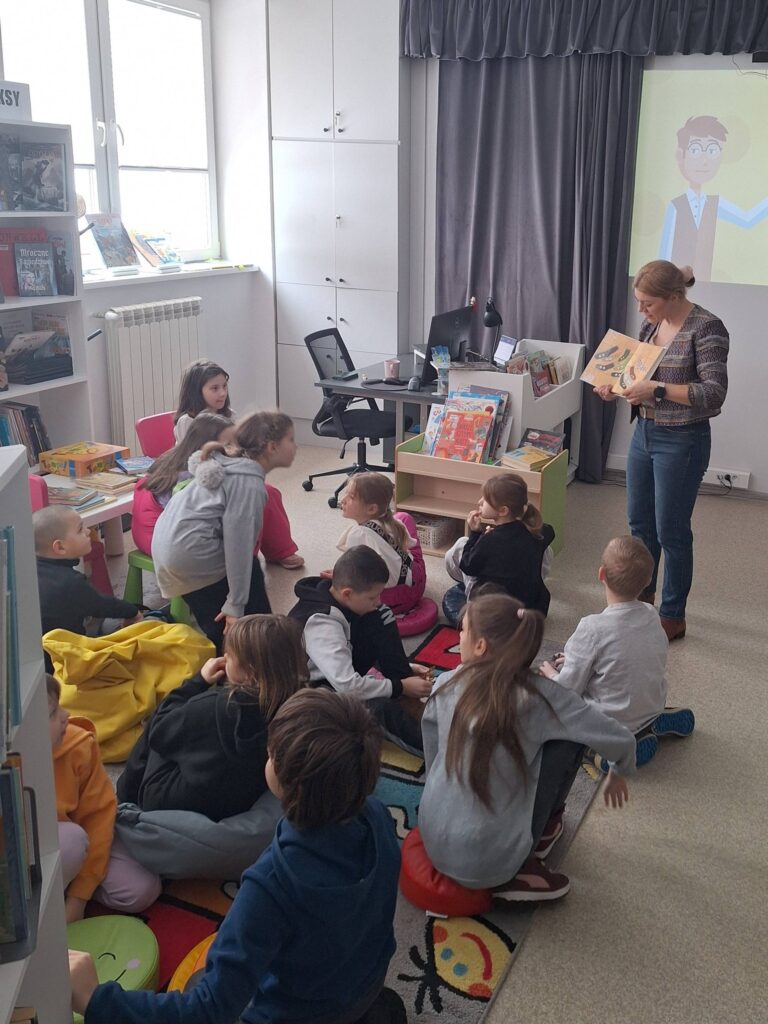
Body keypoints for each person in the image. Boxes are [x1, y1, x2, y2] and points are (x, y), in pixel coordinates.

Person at [69, 688, 402, 1024]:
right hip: (363, 990)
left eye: (271, 754)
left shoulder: (270, 886)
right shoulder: (377, 816)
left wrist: (96, 1000)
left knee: (199, 987)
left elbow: (207, 1011)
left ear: (287, 782)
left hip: (293, 1014)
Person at [419, 593, 635, 901]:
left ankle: (524, 844)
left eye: (463, 629)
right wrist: (619, 770)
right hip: (493, 862)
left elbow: (432, 749)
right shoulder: (544, 698)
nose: (460, 635)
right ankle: (537, 840)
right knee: (568, 737)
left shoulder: (445, 684)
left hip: (432, 837)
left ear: (480, 647)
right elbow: (619, 738)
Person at [594, 260, 729, 641]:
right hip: (645, 434)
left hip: (683, 440)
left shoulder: (707, 328)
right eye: (639, 302)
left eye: (648, 303)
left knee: (671, 530)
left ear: (673, 297)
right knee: (640, 526)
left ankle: (672, 616)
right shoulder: (653, 324)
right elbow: (637, 375)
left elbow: (713, 393)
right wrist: (614, 386)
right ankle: (641, 602)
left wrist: (656, 390)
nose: (641, 311)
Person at [116, 614, 307, 820]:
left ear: (249, 673)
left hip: (170, 801)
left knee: (160, 718)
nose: (224, 659)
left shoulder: (215, 706)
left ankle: (126, 794)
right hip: (238, 798)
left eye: (230, 656)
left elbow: (159, 732)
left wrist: (197, 682)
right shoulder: (301, 702)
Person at [540, 536, 695, 774]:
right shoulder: (652, 614)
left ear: (601, 574)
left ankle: (603, 752)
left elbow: (568, 690)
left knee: (556, 709)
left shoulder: (591, 628)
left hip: (609, 721)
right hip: (651, 702)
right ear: (646, 582)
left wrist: (551, 674)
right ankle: (650, 722)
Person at [151, 411, 296, 653]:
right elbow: (238, 547)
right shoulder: (249, 483)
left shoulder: (227, 466)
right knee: (248, 624)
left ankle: (235, 663)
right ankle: (259, 666)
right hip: (193, 556)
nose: (296, 446)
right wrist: (235, 604)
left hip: (170, 555)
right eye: (291, 439)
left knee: (222, 627)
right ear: (271, 447)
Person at [289, 546, 431, 753]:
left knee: (382, 616)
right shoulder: (321, 624)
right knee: (378, 707)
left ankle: (403, 691)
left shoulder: (342, 600)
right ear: (347, 593)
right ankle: (436, 748)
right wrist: (399, 686)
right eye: (373, 597)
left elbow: (346, 648)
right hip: (312, 690)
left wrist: (402, 669)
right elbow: (348, 686)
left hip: (334, 675)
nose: (379, 601)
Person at [48, 674, 160, 923]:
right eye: (52, 713)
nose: (66, 714)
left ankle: (65, 889)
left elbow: (98, 819)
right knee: (71, 842)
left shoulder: (78, 745)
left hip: (74, 849)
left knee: (142, 889)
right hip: (37, 861)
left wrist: (79, 898)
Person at [173, 358, 304, 569]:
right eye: (214, 388)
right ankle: (246, 553)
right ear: (197, 391)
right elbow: (190, 458)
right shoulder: (187, 422)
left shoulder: (230, 416)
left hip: (228, 474)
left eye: (224, 386)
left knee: (268, 493)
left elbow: (238, 450)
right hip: (198, 478)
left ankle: (280, 550)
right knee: (257, 495)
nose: (222, 393)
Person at [659, 115, 768, 283]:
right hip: (674, 287)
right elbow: (664, 253)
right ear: (681, 155)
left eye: (712, 151)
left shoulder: (714, 203)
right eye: (695, 150)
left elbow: (747, 219)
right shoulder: (676, 205)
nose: (704, 160)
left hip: (704, 284)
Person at [442, 473, 555, 626]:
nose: (479, 501)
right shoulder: (535, 531)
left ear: (503, 511)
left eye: (485, 500)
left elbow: (467, 566)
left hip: (497, 613)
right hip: (533, 608)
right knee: (545, 549)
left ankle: (474, 607)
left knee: (462, 545)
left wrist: (476, 534)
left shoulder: (489, 541)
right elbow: (549, 531)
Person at [131, 411, 234, 557]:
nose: (234, 449)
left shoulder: (172, 456)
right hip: (165, 545)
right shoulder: (190, 476)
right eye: (228, 445)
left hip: (143, 537)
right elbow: (189, 518)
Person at [35, 506, 142, 636]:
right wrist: (133, 612)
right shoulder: (71, 583)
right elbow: (103, 605)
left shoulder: (29, 573)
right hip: (69, 652)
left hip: (39, 649)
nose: (87, 532)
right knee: (140, 622)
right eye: (80, 530)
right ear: (60, 547)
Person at [334, 472, 426, 616]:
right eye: (346, 494)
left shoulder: (358, 535)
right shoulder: (394, 522)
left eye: (351, 497)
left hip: (393, 600)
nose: (343, 500)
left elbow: (357, 576)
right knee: (404, 517)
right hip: (417, 581)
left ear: (371, 509)